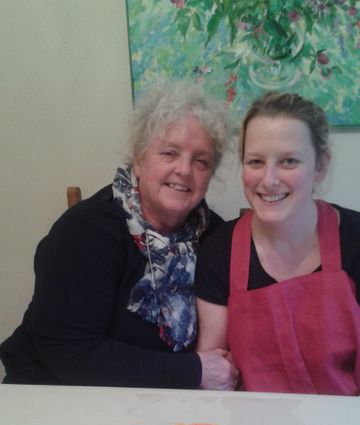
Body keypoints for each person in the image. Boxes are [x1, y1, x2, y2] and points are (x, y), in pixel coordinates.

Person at [0, 82, 238, 390]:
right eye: (169, 153)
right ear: (139, 160)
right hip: (55, 395)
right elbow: (72, 353)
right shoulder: (86, 230)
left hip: (163, 406)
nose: (184, 169)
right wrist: (192, 372)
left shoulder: (216, 238)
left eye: (201, 161)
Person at [196, 91, 360, 395]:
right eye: (256, 161)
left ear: (320, 166)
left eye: (289, 161)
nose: (269, 180)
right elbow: (215, 374)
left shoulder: (354, 239)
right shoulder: (219, 249)